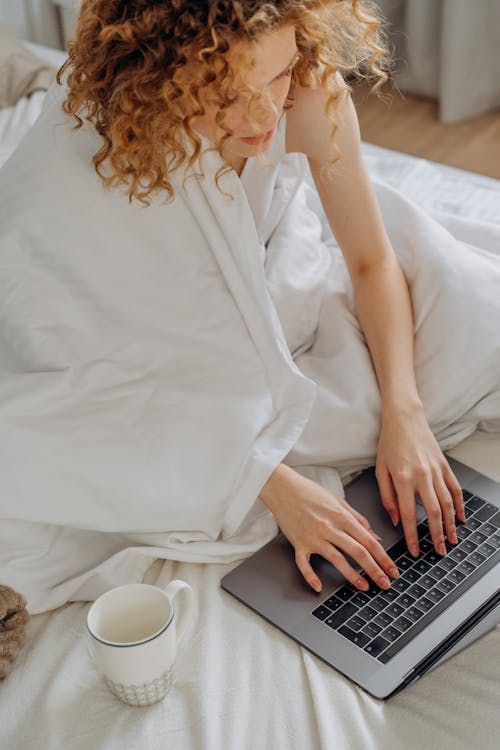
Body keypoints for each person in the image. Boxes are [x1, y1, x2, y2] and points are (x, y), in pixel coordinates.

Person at [2, 0, 500, 611]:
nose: (265, 114)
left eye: (278, 73)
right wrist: (271, 482)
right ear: (158, 80)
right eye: (226, 94)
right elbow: (86, 362)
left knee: (468, 320)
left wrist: (407, 415)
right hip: (127, 331)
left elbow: (371, 261)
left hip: (265, 274)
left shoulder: (311, 95)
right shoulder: (89, 148)